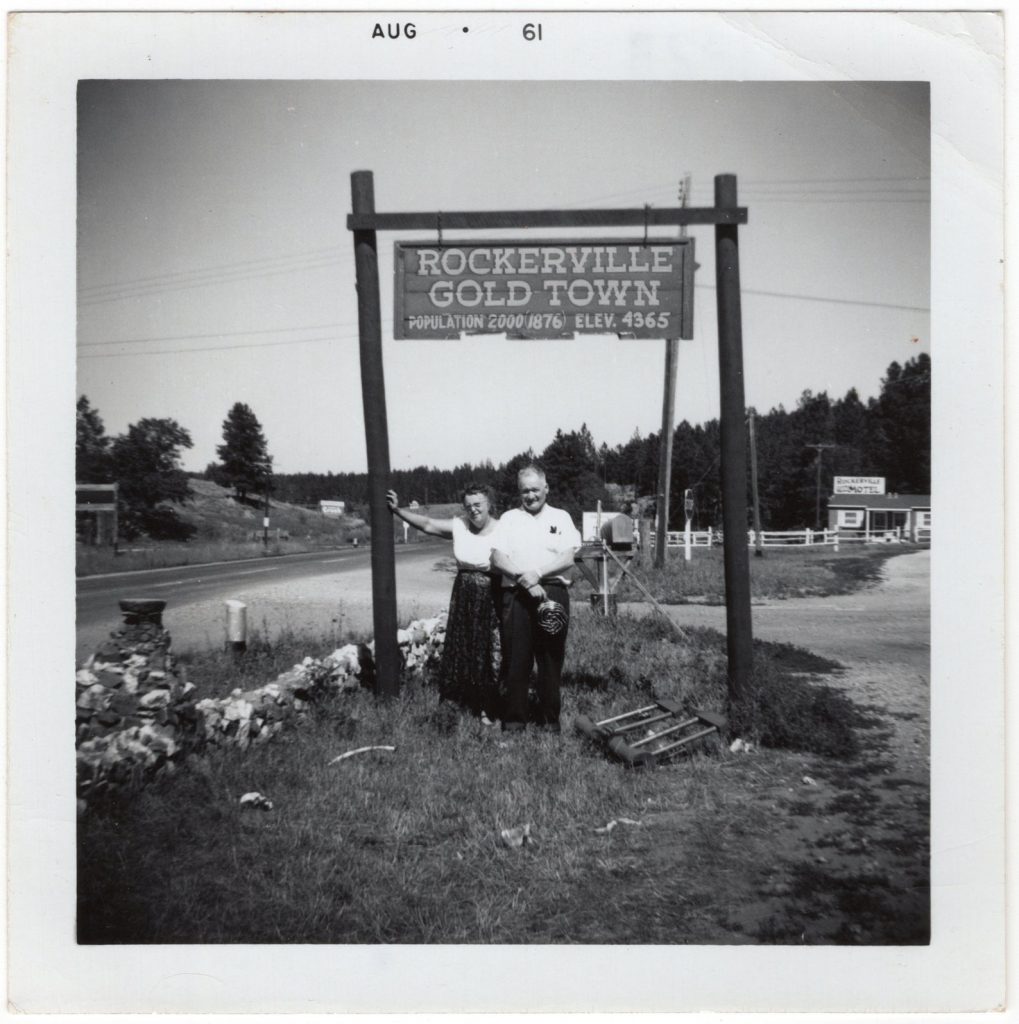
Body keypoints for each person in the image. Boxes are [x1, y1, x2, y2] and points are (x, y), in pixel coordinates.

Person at [386, 485, 501, 722]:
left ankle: (487, 706)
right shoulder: (459, 525)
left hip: (492, 594)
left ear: (489, 503)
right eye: (468, 506)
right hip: (463, 592)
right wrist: (398, 510)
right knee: (462, 646)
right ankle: (457, 701)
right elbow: (428, 524)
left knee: (488, 649)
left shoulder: (502, 528)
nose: (473, 510)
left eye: (478, 504)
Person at [490, 465, 582, 733]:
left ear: (546, 489)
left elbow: (568, 557)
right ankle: (514, 721)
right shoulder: (509, 518)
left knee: (550, 659)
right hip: (517, 594)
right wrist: (524, 578)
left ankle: (549, 722)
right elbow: (497, 558)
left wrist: (538, 574)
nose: (530, 495)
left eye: (534, 489)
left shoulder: (562, 517)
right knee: (516, 659)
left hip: (552, 591)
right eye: (524, 491)